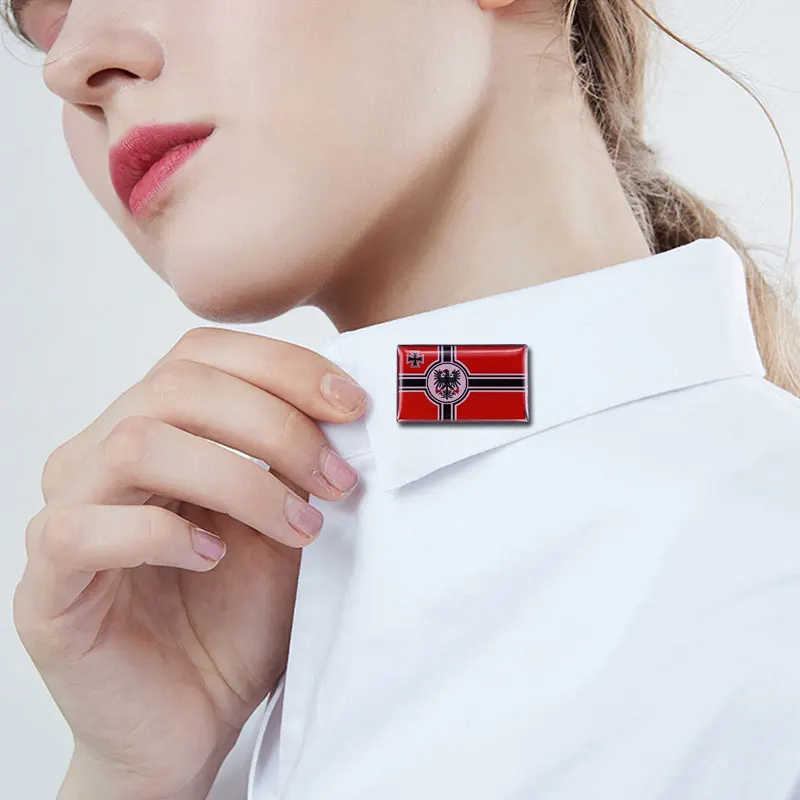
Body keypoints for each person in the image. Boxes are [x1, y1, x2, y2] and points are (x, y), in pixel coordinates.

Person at [6, 0, 800, 798]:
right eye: (47, 28)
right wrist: (130, 776)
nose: (69, 66)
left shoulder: (762, 583)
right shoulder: (210, 663)